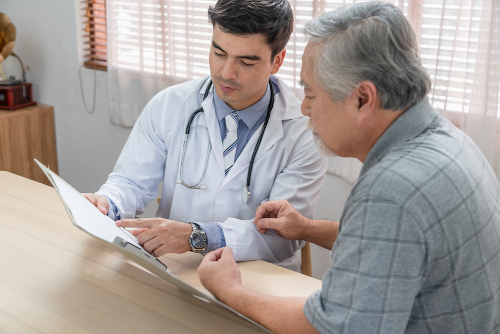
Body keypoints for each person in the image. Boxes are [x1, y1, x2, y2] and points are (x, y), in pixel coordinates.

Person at [197, 2, 500, 333]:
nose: (306, 108)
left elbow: (329, 328)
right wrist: (307, 229)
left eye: (311, 94)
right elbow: (393, 241)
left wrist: (228, 289)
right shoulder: (448, 141)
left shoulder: (393, 189)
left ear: (363, 99)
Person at [83, 0, 326, 272]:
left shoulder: (306, 131)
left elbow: (281, 238)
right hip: (175, 271)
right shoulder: (170, 104)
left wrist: (196, 236)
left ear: (276, 62)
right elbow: (131, 182)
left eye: (246, 62)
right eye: (219, 53)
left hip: (259, 281)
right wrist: (108, 204)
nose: (226, 73)